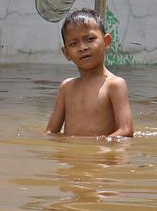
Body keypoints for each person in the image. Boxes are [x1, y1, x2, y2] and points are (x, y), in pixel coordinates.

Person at [44, 8, 133, 138]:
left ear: (107, 42)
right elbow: (51, 131)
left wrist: (96, 149)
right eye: (74, 43)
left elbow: (126, 130)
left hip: (101, 156)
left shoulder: (114, 85)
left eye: (90, 39)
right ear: (66, 53)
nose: (83, 48)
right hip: (72, 156)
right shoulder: (66, 88)